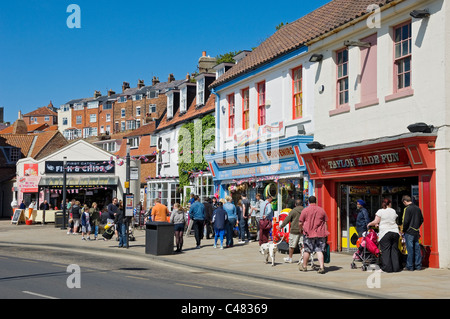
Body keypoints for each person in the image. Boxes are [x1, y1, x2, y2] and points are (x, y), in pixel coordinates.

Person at [368, 198, 401, 273]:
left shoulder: (380, 211)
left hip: (385, 232)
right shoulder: (393, 211)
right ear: (390, 204)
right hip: (395, 231)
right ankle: (396, 268)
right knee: (394, 250)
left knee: (386, 251)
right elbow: (391, 220)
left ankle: (387, 268)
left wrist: (370, 224)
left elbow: (376, 221)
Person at [298, 196, 329, 274]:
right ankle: (321, 267)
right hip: (320, 234)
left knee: (307, 250)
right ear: (316, 201)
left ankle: (304, 266)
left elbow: (300, 222)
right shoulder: (321, 210)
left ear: (308, 201)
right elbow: (325, 222)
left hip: (308, 233)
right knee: (319, 250)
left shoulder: (305, 210)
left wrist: (301, 229)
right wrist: (325, 232)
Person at [401, 195, 424, 271]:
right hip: (416, 231)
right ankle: (418, 266)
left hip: (409, 232)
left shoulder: (407, 209)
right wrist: (417, 226)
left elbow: (405, 221)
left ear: (405, 201)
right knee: (417, 249)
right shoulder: (418, 208)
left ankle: (410, 266)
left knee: (410, 250)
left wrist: (404, 230)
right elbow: (421, 219)